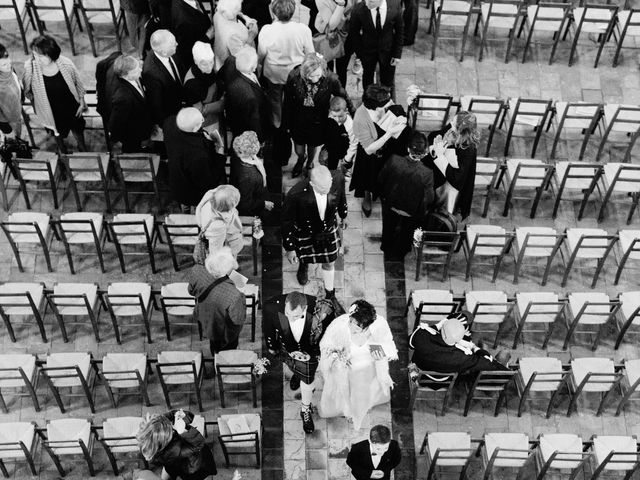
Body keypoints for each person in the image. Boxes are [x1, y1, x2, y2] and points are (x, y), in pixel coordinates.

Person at [264, 291, 340, 433]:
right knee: (292, 366)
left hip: (309, 352)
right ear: (285, 304)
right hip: (286, 348)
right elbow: (269, 329)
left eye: (296, 316)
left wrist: (323, 351)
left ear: (304, 308)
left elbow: (331, 332)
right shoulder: (271, 307)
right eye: (288, 314)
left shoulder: (322, 308)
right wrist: (272, 347)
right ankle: (296, 374)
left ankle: (305, 410)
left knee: (308, 381)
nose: (291, 319)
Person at [319, 300, 397, 430]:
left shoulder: (377, 329)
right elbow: (325, 348)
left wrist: (380, 361)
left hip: (366, 370)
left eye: (355, 325)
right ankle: (348, 410)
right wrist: (338, 358)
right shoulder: (339, 327)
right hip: (345, 371)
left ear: (365, 326)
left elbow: (384, 350)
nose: (349, 325)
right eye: (350, 320)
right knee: (345, 393)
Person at [282, 165, 347, 297]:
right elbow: (287, 221)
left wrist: (343, 215)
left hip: (328, 229)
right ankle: (304, 265)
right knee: (304, 257)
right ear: (311, 183)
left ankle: (330, 292)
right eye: (323, 190)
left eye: (329, 187)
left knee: (330, 262)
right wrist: (290, 248)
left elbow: (341, 196)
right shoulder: (295, 194)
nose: (328, 191)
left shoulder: (337, 178)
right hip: (305, 231)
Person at [283, 53, 351, 178]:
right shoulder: (294, 76)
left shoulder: (331, 78)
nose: (315, 79)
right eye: (311, 76)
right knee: (299, 148)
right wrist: (286, 123)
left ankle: (309, 163)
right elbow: (287, 101)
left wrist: (352, 112)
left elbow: (343, 94)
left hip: (318, 120)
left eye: (318, 75)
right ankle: (300, 159)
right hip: (298, 118)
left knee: (312, 145)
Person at [350, 84, 408, 217]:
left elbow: (396, 110)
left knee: (387, 173)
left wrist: (402, 119)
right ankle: (367, 195)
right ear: (376, 106)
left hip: (388, 148)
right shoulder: (361, 118)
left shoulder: (386, 105)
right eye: (386, 103)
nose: (391, 103)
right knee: (369, 175)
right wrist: (389, 133)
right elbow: (369, 150)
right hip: (370, 152)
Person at [23, 35, 87, 153]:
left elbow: (78, 83)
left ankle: (82, 147)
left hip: (71, 105)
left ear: (50, 53)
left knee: (77, 129)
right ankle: (62, 150)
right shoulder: (30, 68)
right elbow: (27, 90)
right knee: (57, 133)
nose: (36, 59)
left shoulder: (66, 63)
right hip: (51, 110)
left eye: (40, 56)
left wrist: (82, 101)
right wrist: (39, 106)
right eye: (34, 55)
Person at [257, 0, 314, 128]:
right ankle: (293, 123)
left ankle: (277, 123)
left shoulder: (267, 30)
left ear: (274, 11)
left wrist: (259, 68)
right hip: (295, 73)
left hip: (274, 73)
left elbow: (261, 55)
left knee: (275, 99)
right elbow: (310, 54)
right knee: (295, 98)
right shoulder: (303, 30)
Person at [377, 131, 434, 259]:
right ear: (425, 153)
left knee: (388, 227)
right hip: (410, 211)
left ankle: (385, 245)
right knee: (406, 232)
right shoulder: (427, 173)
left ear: (408, 148)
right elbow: (429, 198)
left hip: (391, 204)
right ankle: (401, 251)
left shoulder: (393, 160)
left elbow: (381, 179)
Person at [164, 107, 227, 209]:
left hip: (176, 181)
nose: (203, 120)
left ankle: (184, 209)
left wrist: (203, 135)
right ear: (194, 128)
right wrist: (219, 152)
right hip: (192, 193)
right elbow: (208, 182)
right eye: (201, 120)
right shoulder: (198, 155)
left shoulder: (169, 123)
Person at [409, 311, 510, 374]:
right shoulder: (462, 357)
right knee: (476, 367)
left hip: (417, 373)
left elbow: (410, 343)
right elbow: (486, 361)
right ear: (458, 340)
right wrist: (475, 347)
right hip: (442, 380)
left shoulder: (421, 335)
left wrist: (439, 325)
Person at [187, 247, 246, 356]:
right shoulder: (234, 295)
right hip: (223, 330)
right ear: (228, 270)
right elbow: (237, 320)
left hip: (204, 315)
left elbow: (191, 291)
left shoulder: (197, 270)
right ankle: (222, 364)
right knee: (226, 351)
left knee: (213, 343)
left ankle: (215, 358)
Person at [425, 111, 479, 220]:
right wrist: (440, 143)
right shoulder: (454, 129)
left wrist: (440, 155)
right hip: (439, 173)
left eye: (453, 123)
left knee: (441, 209)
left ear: (461, 130)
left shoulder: (468, 149)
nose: (450, 124)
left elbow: (457, 178)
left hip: (448, 184)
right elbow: (438, 134)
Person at [136, 410, 216, 480]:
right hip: (190, 464)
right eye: (170, 428)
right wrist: (183, 430)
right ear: (164, 439)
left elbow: (178, 415)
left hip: (173, 463)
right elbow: (199, 443)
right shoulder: (173, 450)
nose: (171, 425)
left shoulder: (157, 428)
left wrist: (182, 414)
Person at [348, 0, 403, 97]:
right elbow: (354, 33)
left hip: (388, 51)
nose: (367, 3)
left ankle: (387, 101)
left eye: (371, 1)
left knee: (388, 80)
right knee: (367, 78)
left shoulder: (395, 5)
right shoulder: (358, 9)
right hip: (367, 51)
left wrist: (397, 54)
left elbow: (400, 30)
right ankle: (368, 101)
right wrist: (360, 54)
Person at [109, 55, 154, 153]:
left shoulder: (133, 78)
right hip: (133, 133)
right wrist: (116, 139)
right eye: (136, 70)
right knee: (133, 150)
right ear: (125, 74)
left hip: (141, 120)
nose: (141, 70)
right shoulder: (123, 97)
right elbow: (116, 122)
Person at [225, 46, 271, 142]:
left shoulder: (231, 64)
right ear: (252, 66)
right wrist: (260, 139)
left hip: (237, 120)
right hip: (248, 131)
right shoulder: (249, 95)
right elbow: (254, 121)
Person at [142, 30, 184, 130]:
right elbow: (157, 105)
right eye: (174, 45)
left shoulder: (170, 50)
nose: (177, 44)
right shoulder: (151, 73)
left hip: (181, 100)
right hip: (171, 114)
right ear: (164, 52)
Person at [230, 130, 274, 216]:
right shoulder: (249, 176)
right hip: (253, 210)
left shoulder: (237, 158)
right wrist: (264, 204)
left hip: (256, 194)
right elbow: (245, 204)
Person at [183, 42, 223, 132]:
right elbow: (200, 111)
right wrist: (222, 103)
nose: (209, 67)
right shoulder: (191, 84)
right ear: (195, 61)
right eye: (204, 64)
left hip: (216, 112)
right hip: (207, 123)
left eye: (211, 62)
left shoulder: (206, 67)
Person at [195, 184, 244, 258]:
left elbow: (199, 220)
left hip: (223, 235)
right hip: (224, 244)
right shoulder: (218, 225)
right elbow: (215, 253)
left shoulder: (210, 196)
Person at [314, 0, 353, 86]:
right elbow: (332, 25)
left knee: (342, 69)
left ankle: (341, 95)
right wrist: (341, 6)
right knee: (327, 69)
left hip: (346, 35)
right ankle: (327, 94)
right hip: (326, 36)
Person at [213, 0, 258, 72]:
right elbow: (242, 59)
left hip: (219, 57)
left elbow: (233, 11)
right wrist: (251, 37)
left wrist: (245, 17)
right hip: (233, 68)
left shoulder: (218, 14)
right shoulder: (232, 35)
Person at [171, 0, 214, 70]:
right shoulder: (183, 20)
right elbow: (187, 50)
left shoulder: (191, 2)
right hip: (199, 62)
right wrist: (207, 37)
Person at [322, 96, 357, 173]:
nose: (337, 120)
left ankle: (346, 174)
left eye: (340, 116)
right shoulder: (329, 118)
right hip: (332, 150)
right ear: (330, 112)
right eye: (335, 116)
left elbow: (353, 144)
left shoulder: (351, 126)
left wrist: (347, 159)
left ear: (346, 111)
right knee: (331, 169)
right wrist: (326, 148)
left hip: (345, 151)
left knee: (346, 168)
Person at [0, 44, 23, 138]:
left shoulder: (8, 68)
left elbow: (16, 81)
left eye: (7, 56)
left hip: (16, 107)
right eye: (4, 64)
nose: (9, 63)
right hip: (5, 119)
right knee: (10, 136)